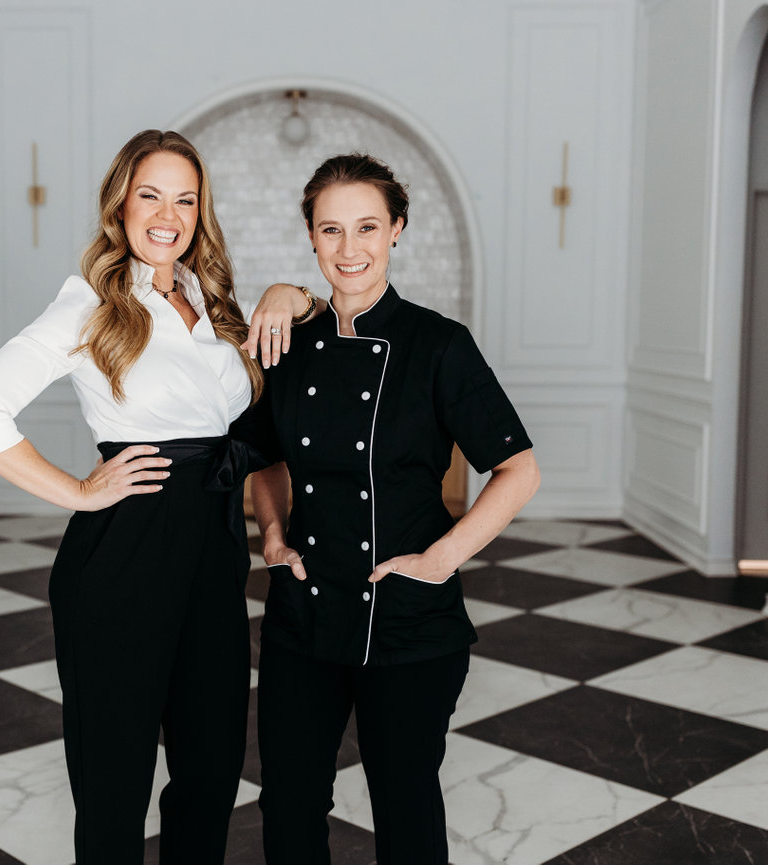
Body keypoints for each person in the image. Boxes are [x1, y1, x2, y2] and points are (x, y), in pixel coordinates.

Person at [0, 129, 312, 864]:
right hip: (122, 559)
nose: (167, 213)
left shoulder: (212, 301)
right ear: (121, 205)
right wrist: (79, 490)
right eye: (151, 194)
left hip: (213, 556)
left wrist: (288, 292)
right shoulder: (90, 303)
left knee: (209, 772)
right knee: (114, 783)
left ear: (200, 210)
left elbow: (259, 418)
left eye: (185, 197)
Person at [248, 154, 541, 865]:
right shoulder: (290, 345)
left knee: (404, 804)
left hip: (408, 619)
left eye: (368, 227)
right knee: (287, 800)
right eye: (332, 230)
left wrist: (440, 561)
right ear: (311, 239)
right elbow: (259, 455)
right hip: (303, 615)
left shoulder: (438, 346)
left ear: (397, 230)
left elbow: (518, 470)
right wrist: (274, 534)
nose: (350, 249)